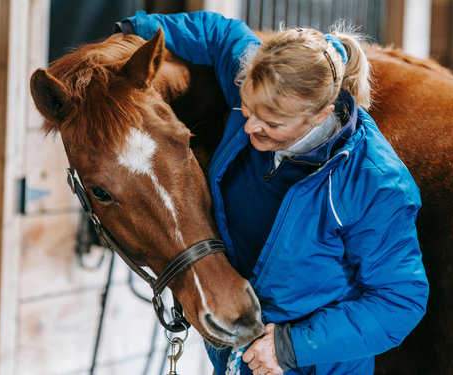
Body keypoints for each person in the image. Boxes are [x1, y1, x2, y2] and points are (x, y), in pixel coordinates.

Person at [113, 10, 429, 375]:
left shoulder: (376, 183)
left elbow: (400, 300)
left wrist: (289, 347)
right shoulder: (262, 85)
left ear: (320, 115)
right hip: (239, 349)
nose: (250, 127)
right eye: (247, 107)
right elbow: (219, 33)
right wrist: (130, 31)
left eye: (273, 123)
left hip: (308, 363)